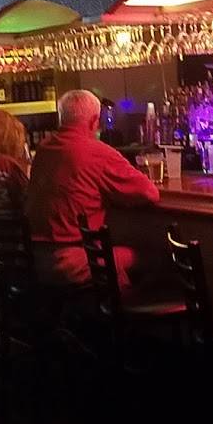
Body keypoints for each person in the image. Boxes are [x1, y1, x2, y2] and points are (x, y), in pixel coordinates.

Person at [25, 89, 160, 288]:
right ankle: (126, 307)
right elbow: (149, 193)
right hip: (73, 259)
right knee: (151, 256)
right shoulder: (96, 152)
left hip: (34, 258)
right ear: (94, 121)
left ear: (62, 118)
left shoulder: (43, 149)